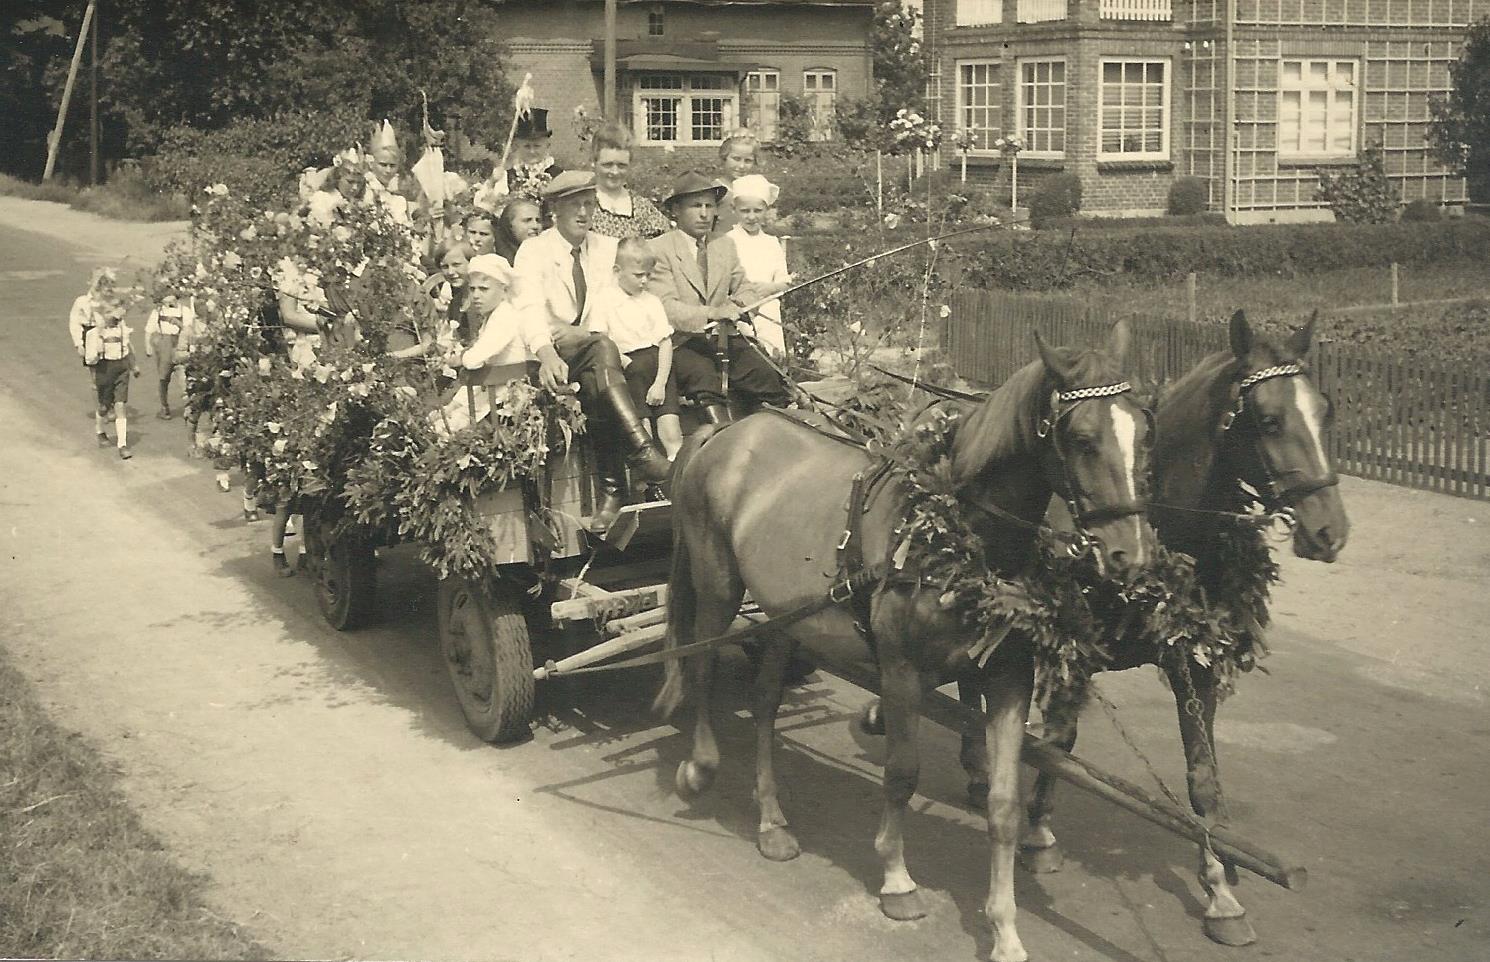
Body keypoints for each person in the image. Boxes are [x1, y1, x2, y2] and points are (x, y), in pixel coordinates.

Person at [513, 170, 672, 527]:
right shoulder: (534, 250)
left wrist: (584, 333)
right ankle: (641, 454)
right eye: (575, 205)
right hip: (550, 354)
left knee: (600, 359)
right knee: (601, 355)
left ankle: (614, 490)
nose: (584, 213)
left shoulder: (604, 248)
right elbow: (528, 308)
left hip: (596, 348)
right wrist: (548, 352)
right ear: (555, 209)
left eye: (589, 203)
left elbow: (612, 300)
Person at [648, 170, 788, 423]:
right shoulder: (659, 249)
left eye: (709, 206)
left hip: (724, 339)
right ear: (676, 210)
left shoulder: (724, 245)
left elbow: (745, 288)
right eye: (696, 206)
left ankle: (771, 442)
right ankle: (719, 443)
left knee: (765, 374)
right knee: (705, 377)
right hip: (680, 342)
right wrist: (714, 313)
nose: (704, 213)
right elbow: (666, 308)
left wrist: (738, 305)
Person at [588, 238, 682, 460]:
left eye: (648, 275)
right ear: (617, 270)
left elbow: (665, 342)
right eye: (638, 275)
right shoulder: (604, 300)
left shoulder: (652, 301)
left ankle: (675, 475)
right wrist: (622, 360)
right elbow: (600, 338)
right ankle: (650, 483)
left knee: (671, 429)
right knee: (642, 430)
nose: (644, 280)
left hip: (658, 366)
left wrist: (660, 382)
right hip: (627, 366)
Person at [725, 174, 794, 358]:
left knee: (772, 353)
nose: (751, 217)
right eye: (745, 211)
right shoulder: (728, 241)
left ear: (766, 210)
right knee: (747, 353)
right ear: (735, 210)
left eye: (757, 210)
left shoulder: (771, 243)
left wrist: (769, 288)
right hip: (739, 309)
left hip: (767, 306)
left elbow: (784, 282)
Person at [588, 122, 671, 240]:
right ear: (594, 162)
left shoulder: (642, 207)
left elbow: (666, 244)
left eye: (621, 165)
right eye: (607, 165)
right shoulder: (583, 204)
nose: (615, 172)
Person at [82, 300, 141, 460]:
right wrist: (96, 353)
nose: (112, 316)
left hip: (121, 369)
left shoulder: (122, 330)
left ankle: (122, 445)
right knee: (103, 407)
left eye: (114, 312)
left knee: (120, 406)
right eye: (108, 313)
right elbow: (90, 360)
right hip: (104, 369)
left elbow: (128, 350)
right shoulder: (93, 334)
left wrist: (134, 366)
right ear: (101, 316)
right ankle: (100, 431)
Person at [144, 290, 196, 419]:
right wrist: (148, 346)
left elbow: (189, 330)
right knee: (163, 377)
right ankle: (164, 406)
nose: (168, 302)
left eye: (170, 299)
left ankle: (188, 407)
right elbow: (148, 330)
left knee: (183, 376)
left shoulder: (185, 311)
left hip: (180, 343)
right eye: (165, 300)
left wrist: (178, 324)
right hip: (164, 345)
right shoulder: (158, 312)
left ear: (175, 298)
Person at [504, 107, 565, 200]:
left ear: (547, 145)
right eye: (527, 146)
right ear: (517, 146)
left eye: (537, 146)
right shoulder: (507, 177)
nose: (532, 151)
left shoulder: (560, 176)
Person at [713, 130, 761, 235]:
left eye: (748, 161)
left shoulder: (756, 190)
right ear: (724, 158)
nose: (741, 166)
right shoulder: (715, 190)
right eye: (736, 159)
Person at [493, 198, 543, 267]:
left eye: (538, 221)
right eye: (527, 220)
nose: (535, 226)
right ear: (509, 224)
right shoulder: (497, 262)